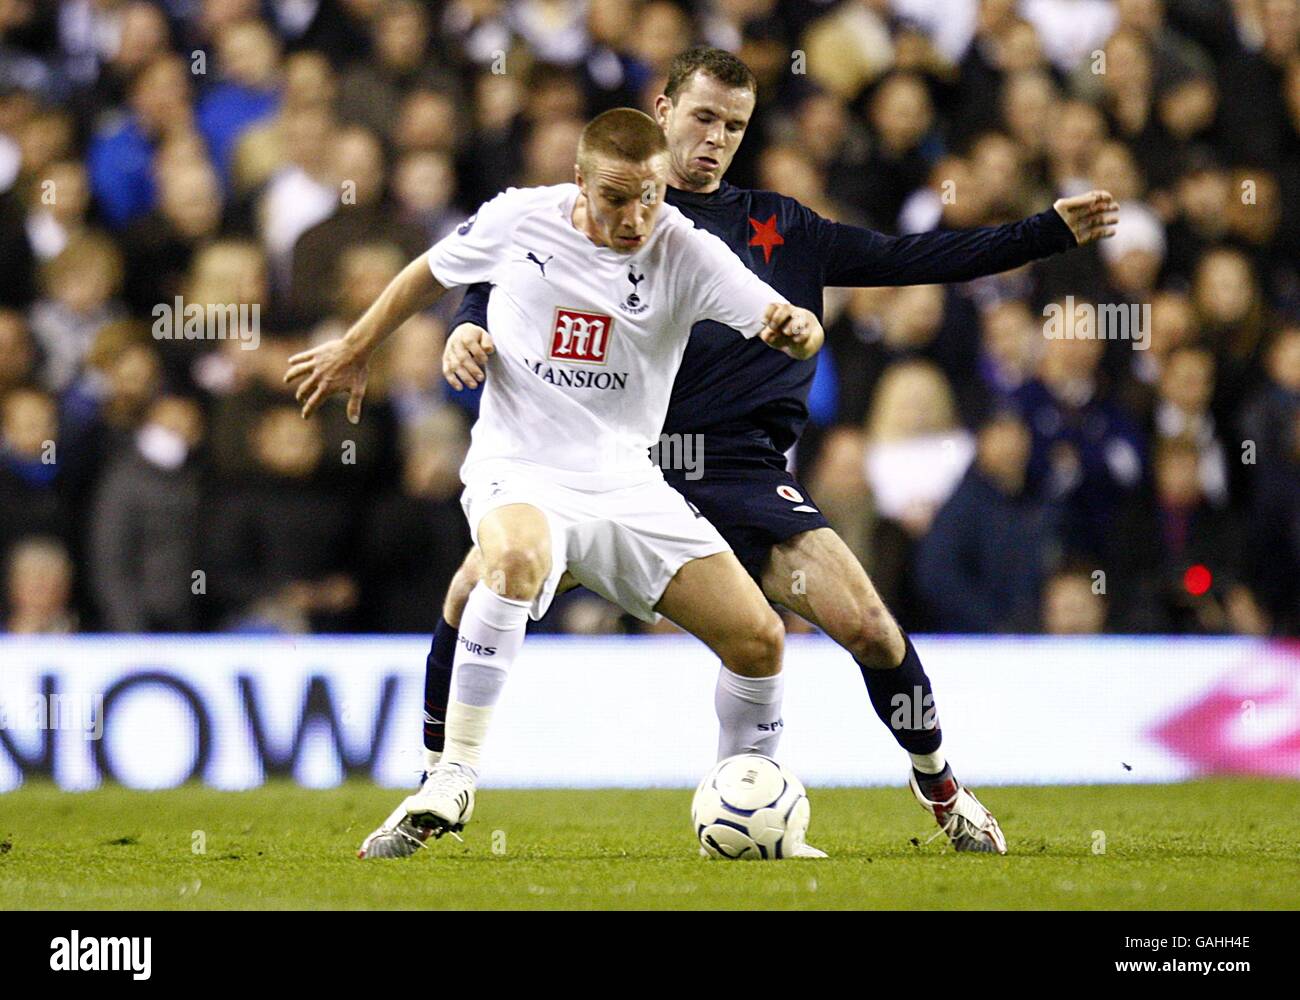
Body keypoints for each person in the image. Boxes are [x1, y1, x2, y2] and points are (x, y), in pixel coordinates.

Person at [437, 47, 1119, 854]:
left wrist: (1043, 232)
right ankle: (436, 777)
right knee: (474, 588)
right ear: (661, 112)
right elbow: (508, 274)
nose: (716, 138)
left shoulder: (781, 228)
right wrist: (467, 325)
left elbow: (913, 259)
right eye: (702, 117)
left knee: (868, 624)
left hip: (742, 479)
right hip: (608, 472)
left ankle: (942, 788)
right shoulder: (596, 212)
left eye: (734, 125)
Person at [283, 106, 827, 859]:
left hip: (629, 484)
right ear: (578, 181)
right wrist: (355, 344)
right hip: (523, 469)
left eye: (651, 195)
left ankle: (750, 807)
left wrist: (801, 326)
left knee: (761, 639)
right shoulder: (518, 220)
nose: (636, 216)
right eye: (616, 198)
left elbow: (781, 315)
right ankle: (454, 776)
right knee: (510, 559)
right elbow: (428, 274)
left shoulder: (687, 252)